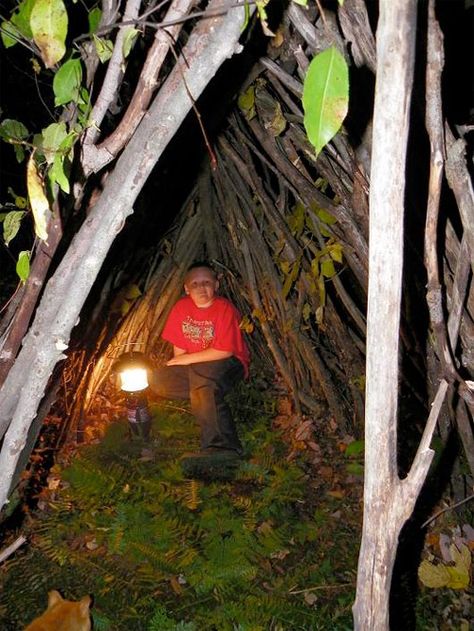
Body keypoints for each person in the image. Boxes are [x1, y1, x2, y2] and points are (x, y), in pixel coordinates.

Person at [150, 262, 249, 456]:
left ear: (216, 285)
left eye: (206, 282)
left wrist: (187, 362)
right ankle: (206, 396)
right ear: (187, 288)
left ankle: (222, 447)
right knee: (158, 379)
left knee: (204, 383)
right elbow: (179, 351)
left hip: (229, 364)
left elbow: (224, 351)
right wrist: (185, 363)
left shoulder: (224, 309)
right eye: (195, 284)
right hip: (197, 367)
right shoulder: (181, 308)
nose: (201, 287)